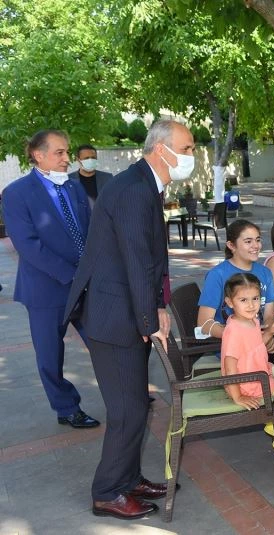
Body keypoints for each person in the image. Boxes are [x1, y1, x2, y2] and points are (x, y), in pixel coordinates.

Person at [64, 120, 195, 519]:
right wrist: (149, 319)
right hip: (112, 316)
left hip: (125, 310)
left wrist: (156, 307)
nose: (191, 156)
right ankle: (107, 491)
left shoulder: (144, 184)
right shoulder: (135, 189)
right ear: (161, 149)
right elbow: (138, 261)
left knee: (138, 402)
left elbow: (150, 262)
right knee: (127, 410)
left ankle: (128, 478)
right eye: (187, 149)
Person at [2, 130, 99, 429]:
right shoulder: (16, 193)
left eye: (66, 152)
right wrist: (72, 275)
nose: (67, 159)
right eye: (59, 152)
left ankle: (123, 392)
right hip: (45, 291)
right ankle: (66, 407)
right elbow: (28, 245)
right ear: (38, 155)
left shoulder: (73, 188)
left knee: (104, 342)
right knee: (50, 356)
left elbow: (89, 232)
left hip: (84, 286)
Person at [220, 273, 274, 456]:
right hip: (248, 382)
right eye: (243, 300)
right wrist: (237, 396)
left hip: (257, 372)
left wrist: (270, 332)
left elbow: (255, 343)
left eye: (255, 298)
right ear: (229, 302)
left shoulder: (250, 320)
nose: (251, 305)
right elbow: (229, 367)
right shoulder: (234, 331)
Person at [196, 220, 274, 353]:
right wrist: (239, 336)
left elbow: (268, 314)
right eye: (248, 241)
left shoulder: (265, 273)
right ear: (231, 245)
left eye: (257, 240)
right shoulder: (217, 275)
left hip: (259, 343)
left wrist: (267, 335)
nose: (255, 246)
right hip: (229, 349)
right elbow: (204, 323)